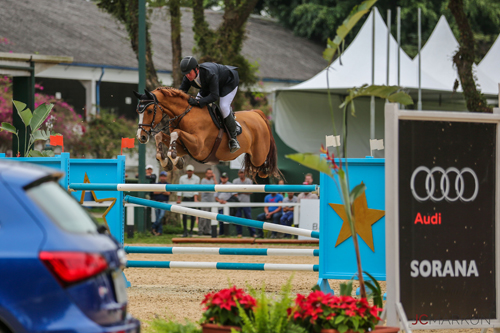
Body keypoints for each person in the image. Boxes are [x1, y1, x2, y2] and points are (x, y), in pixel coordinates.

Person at [178, 56, 240, 153]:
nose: (188, 76)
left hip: (228, 82)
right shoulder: (188, 77)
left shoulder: (209, 73)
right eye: (185, 74)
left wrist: (198, 102)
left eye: (189, 73)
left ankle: (234, 138)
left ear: (196, 69)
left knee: (223, 107)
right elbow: (181, 93)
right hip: (209, 85)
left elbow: (214, 96)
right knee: (196, 106)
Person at [177, 165, 200, 237]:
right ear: (187, 171)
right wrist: (179, 198)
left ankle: (191, 231)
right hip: (185, 198)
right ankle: (185, 231)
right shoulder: (182, 178)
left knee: (193, 215)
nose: (189, 172)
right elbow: (179, 189)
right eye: (188, 171)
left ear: (193, 171)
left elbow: (196, 189)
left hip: (192, 198)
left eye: (191, 171)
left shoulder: (196, 178)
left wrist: (196, 199)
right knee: (184, 215)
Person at [232, 170, 255, 238]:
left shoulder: (249, 181)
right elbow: (234, 193)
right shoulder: (235, 181)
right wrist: (245, 191)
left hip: (246, 203)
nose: (241, 174)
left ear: (245, 173)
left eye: (243, 172)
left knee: (248, 218)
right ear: (238, 173)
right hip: (238, 203)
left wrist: (239, 191)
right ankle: (239, 234)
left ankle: (253, 233)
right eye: (240, 173)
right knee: (238, 218)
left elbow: (251, 192)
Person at [151, 171, 171, 236]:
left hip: (164, 203)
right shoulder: (157, 184)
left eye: (164, 176)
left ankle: (153, 227)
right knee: (158, 217)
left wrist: (159, 191)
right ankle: (159, 232)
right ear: (160, 177)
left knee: (160, 216)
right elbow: (154, 192)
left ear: (166, 177)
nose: (163, 177)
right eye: (162, 176)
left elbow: (168, 193)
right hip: (157, 202)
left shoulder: (168, 184)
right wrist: (163, 191)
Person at [199, 168, 216, 236]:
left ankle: (207, 231)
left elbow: (217, 187)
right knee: (203, 217)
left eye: (211, 173)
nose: (210, 175)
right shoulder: (203, 180)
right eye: (209, 173)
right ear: (206, 174)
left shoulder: (212, 181)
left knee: (210, 217)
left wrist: (214, 179)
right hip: (205, 201)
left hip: (211, 201)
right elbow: (206, 190)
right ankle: (200, 230)